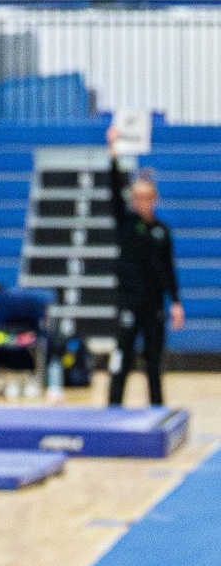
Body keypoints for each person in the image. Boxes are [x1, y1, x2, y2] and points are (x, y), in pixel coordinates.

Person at [106, 125, 184, 407]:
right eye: (135, 197)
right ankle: (113, 408)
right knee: (123, 356)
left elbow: (168, 269)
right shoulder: (126, 223)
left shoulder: (162, 231)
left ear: (155, 199)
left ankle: (157, 410)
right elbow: (114, 190)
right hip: (129, 301)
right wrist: (113, 153)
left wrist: (175, 302)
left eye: (145, 197)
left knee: (153, 361)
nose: (140, 202)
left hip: (154, 305)